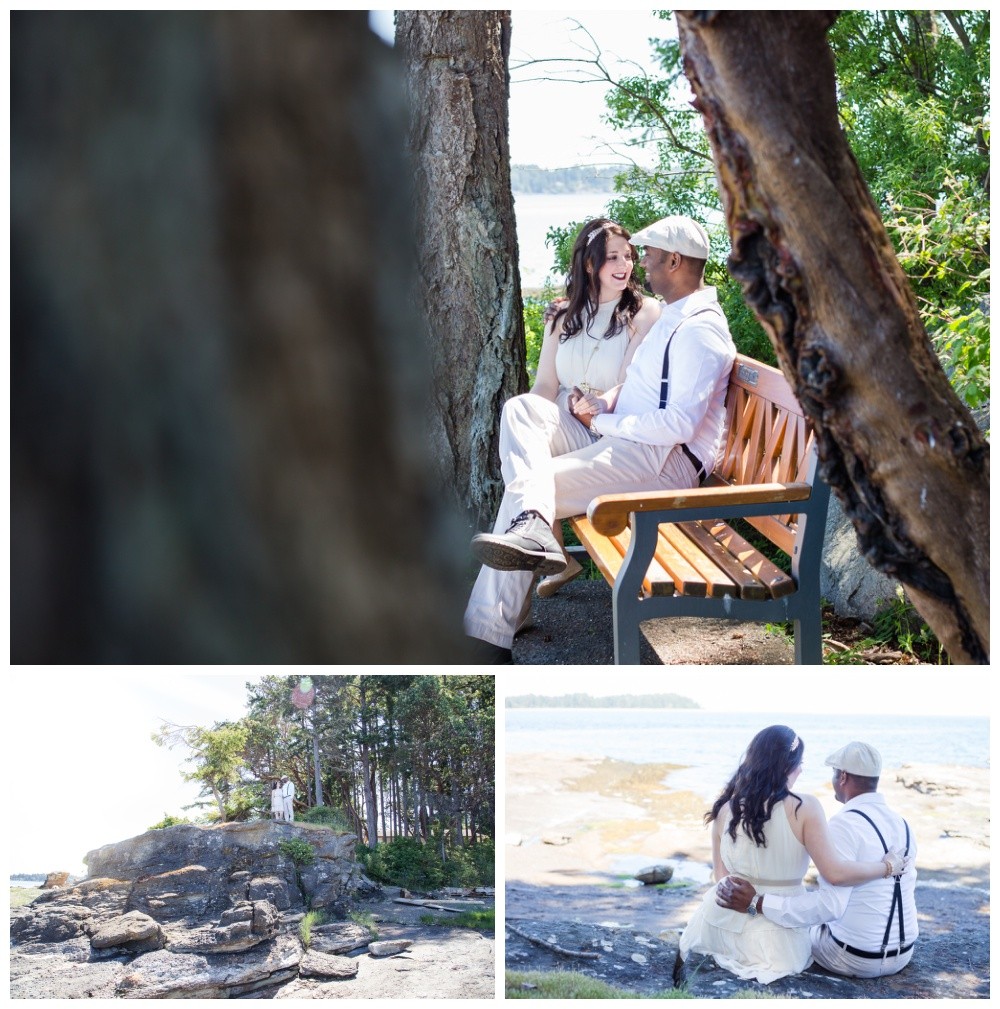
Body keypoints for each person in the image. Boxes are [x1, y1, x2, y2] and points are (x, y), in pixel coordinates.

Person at [464, 215, 736, 663]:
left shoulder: (699, 331)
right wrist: (605, 405)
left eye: (645, 256)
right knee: (522, 412)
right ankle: (528, 541)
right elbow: (643, 387)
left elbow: (678, 426)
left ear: (674, 260)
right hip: (632, 442)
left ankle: (489, 637)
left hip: (661, 462)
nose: (640, 265)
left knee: (529, 488)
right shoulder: (676, 317)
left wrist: (606, 424)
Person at [678, 726, 908, 984]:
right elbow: (834, 873)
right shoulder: (804, 807)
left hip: (718, 926)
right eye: (801, 764)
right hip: (775, 941)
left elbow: (721, 877)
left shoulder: (725, 807)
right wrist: (887, 866)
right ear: (790, 766)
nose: (801, 770)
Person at [526, 218, 660, 602]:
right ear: (589, 265)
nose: (625, 265)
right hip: (562, 416)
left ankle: (541, 555)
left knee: (524, 476)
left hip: (607, 424)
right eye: (612, 257)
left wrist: (595, 407)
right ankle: (552, 552)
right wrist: (532, 417)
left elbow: (629, 384)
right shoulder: (562, 313)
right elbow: (545, 385)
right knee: (520, 418)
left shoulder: (644, 312)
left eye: (629, 256)